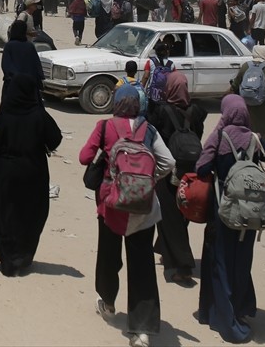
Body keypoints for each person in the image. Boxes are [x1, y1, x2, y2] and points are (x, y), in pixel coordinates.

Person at [79, 84, 174, 347]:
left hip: (111, 205)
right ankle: (142, 331)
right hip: (144, 208)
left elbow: (83, 156)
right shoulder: (150, 130)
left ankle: (108, 303)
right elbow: (168, 162)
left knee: (109, 257)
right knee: (142, 265)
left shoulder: (105, 126)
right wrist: (146, 180)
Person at [196, 95, 265, 344]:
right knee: (242, 261)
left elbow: (202, 168)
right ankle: (242, 310)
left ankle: (224, 320)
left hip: (224, 210)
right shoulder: (255, 139)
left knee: (220, 264)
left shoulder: (219, 137)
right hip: (250, 214)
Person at [0, 71, 62, 277]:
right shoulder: (39, 114)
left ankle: (9, 261)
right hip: (34, 172)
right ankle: (24, 257)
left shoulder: (4, 115)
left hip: (6, 173)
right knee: (32, 215)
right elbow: (55, 139)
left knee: (6, 215)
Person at [146, 70, 205, 285]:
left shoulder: (161, 111)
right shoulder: (196, 112)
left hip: (168, 170)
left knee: (169, 214)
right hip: (192, 171)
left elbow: (151, 134)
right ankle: (164, 247)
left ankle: (183, 265)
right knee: (182, 213)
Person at [230, 45, 265, 151]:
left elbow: (235, 86)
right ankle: (264, 154)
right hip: (264, 106)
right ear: (264, 55)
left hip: (246, 105)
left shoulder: (245, 66)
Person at [1, 20, 44, 85]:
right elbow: (36, 64)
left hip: (13, 84)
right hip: (29, 84)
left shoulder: (9, 46)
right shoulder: (29, 46)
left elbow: (5, 65)